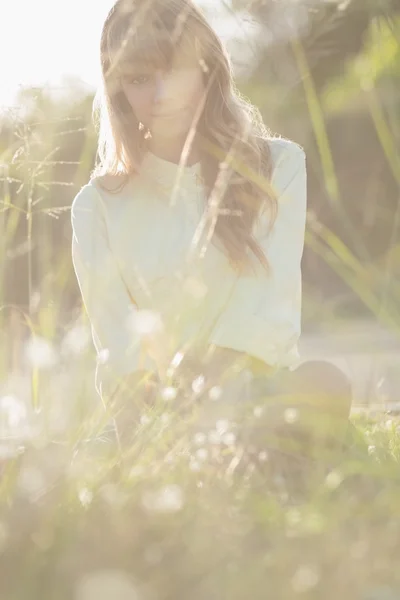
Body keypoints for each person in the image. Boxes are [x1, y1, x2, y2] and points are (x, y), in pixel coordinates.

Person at [70, 0, 353, 454]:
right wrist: (150, 429)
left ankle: (244, 466)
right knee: (51, 473)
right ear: (117, 88)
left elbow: (265, 308)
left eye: (173, 69)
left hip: (256, 401)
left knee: (325, 382)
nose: (159, 94)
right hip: (157, 419)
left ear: (206, 67)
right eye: (139, 79)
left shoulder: (277, 165)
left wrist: (209, 397)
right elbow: (117, 344)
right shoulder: (97, 206)